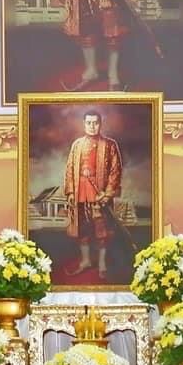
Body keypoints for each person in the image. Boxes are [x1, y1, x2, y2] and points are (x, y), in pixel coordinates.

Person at [62, 111, 124, 282]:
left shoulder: (110, 145)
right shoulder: (77, 145)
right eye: (88, 123)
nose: (92, 126)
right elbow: (69, 169)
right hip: (80, 192)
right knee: (83, 228)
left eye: (95, 122)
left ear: (100, 124)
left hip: (100, 194)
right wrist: (71, 192)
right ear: (84, 124)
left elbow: (115, 171)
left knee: (101, 230)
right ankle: (86, 260)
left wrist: (108, 193)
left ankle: (102, 264)